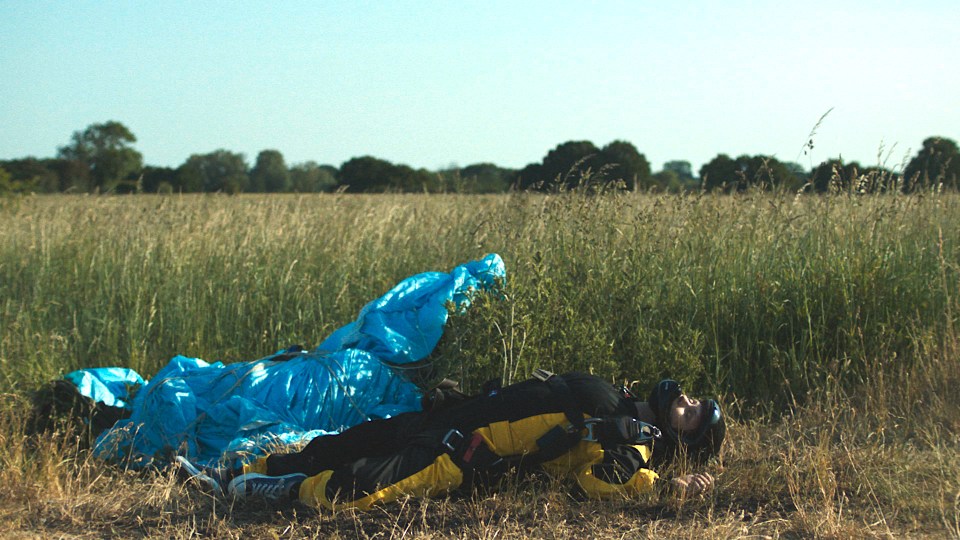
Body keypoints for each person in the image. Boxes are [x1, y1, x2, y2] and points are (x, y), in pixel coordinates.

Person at [176, 371, 725, 509]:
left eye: (695, 416)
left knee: (361, 485)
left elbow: (595, 483)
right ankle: (233, 476)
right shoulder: (621, 395)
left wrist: (663, 486)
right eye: (695, 400)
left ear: (684, 439)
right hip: (457, 416)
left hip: (463, 456)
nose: (689, 403)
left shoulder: (635, 447)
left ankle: (276, 493)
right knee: (344, 442)